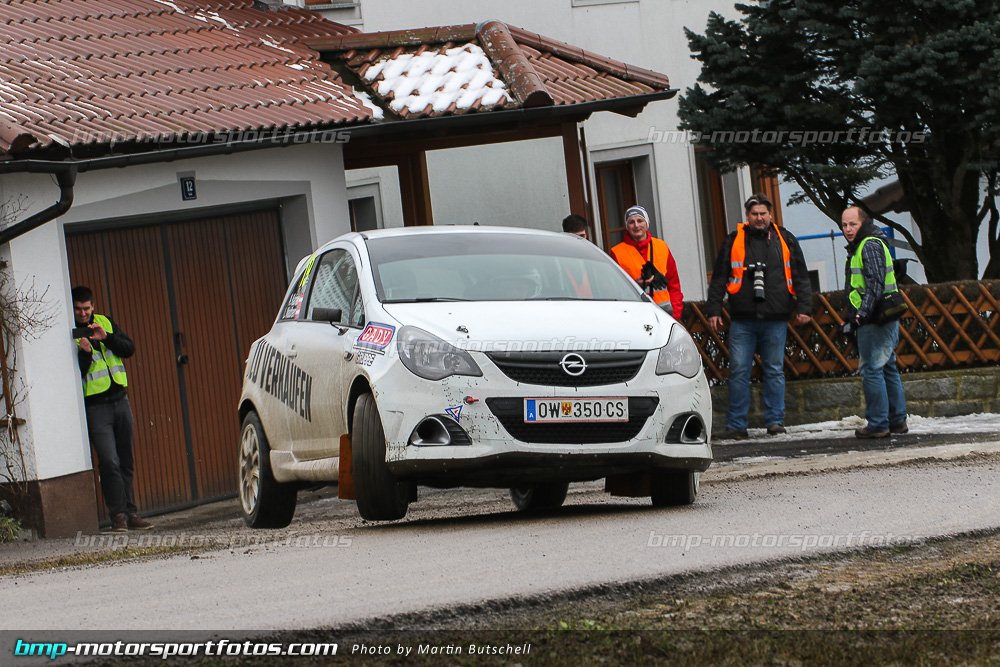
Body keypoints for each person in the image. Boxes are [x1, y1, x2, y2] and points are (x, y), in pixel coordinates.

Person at [706, 194, 812, 440]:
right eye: (754, 214)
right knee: (739, 371)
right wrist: (713, 310)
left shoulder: (785, 240)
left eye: (763, 213)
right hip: (743, 319)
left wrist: (805, 307)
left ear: (771, 214)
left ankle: (775, 421)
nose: (759, 218)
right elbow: (719, 277)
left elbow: (801, 275)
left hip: (776, 317)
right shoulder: (733, 241)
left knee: (774, 370)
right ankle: (736, 425)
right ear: (747, 216)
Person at [72, 286, 153, 532]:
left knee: (126, 459)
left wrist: (106, 336)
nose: (83, 313)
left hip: (120, 399)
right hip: (96, 406)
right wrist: (85, 353)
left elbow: (128, 349)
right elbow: (76, 372)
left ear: (93, 306)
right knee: (109, 461)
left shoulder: (105, 322)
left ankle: (132, 513)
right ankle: (118, 515)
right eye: (78, 309)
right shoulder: (70, 332)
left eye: (87, 308)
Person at [841, 206, 908, 438]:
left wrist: (861, 313)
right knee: (887, 367)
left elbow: (875, 282)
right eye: (844, 225)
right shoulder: (870, 243)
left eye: (853, 224)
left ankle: (879, 424)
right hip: (883, 316)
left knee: (872, 370)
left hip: (874, 318)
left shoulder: (868, 245)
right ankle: (897, 420)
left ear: (863, 223)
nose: (848, 229)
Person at [609, 205, 684, 317]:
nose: (636, 225)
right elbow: (614, 290)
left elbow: (674, 285)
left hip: (665, 315)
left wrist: (676, 314)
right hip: (636, 316)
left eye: (640, 220)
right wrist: (635, 285)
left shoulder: (662, 246)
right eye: (631, 222)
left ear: (647, 224)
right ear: (627, 226)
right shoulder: (616, 253)